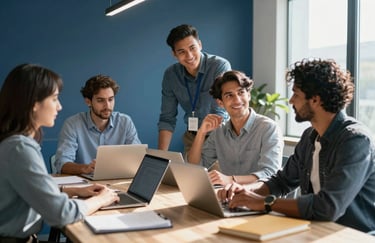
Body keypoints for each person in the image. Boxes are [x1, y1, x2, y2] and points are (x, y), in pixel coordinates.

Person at [218, 58, 375, 233]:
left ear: (315, 100)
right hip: (315, 229)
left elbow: (327, 207)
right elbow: (281, 182)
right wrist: (245, 191)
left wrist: (264, 202)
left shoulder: (355, 141)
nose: (291, 101)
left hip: (353, 235)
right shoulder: (310, 136)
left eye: (296, 94)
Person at [0, 64, 119, 241]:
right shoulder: (20, 148)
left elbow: (31, 188)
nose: (59, 107)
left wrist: (71, 190)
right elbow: (62, 214)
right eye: (55, 99)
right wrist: (102, 199)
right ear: (34, 103)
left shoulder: (13, 143)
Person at [186, 70, 284, 186]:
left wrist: (231, 180)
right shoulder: (219, 132)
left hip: (259, 198)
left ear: (248, 95)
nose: (237, 100)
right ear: (220, 103)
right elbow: (195, 166)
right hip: (229, 198)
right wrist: (201, 133)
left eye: (241, 92)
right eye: (229, 95)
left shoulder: (268, 128)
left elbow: (269, 174)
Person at [158, 24, 231, 153]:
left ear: (200, 45)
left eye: (192, 48)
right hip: (191, 137)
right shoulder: (171, 75)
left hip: (219, 136)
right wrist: (161, 156)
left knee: (215, 173)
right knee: (189, 173)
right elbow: (167, 118)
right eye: (182, 52)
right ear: (174, 54)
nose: (189, 56)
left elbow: (219, 113)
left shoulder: (219, 66)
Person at [55, 74, 141, 175]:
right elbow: (62, 163)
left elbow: (138, 159)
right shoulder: (73, 124)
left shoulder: (125, 122)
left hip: (117, 183)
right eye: (100, 100)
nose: (107, 106)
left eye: (110, 99)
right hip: (84, 184)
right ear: (88, 102)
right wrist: (85, 168)